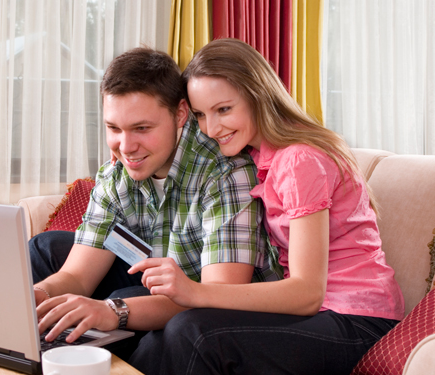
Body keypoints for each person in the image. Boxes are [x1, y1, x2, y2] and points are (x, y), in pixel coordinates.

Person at [128, 38, 405, 375]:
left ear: (258, 94)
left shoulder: (299, 160)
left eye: (224, 109)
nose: (211, 128)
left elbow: (307, 293)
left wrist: (195, 292)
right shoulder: (261, 157)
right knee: (162, 333)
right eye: (200, 115)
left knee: (193, 331)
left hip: (358, 322)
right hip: (325, 314)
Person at [29, 47, 277, 358]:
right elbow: (78, 276)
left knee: (129, 298)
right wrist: (37, 296)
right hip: (155, 279)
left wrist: (112, 310)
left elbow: (217, 296)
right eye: (114, 128)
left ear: (180, 114)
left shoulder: (225, 173)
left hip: (209, 302)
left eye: (142, 128)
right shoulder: (117, 172)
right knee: (44, 248)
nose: (126, 147)